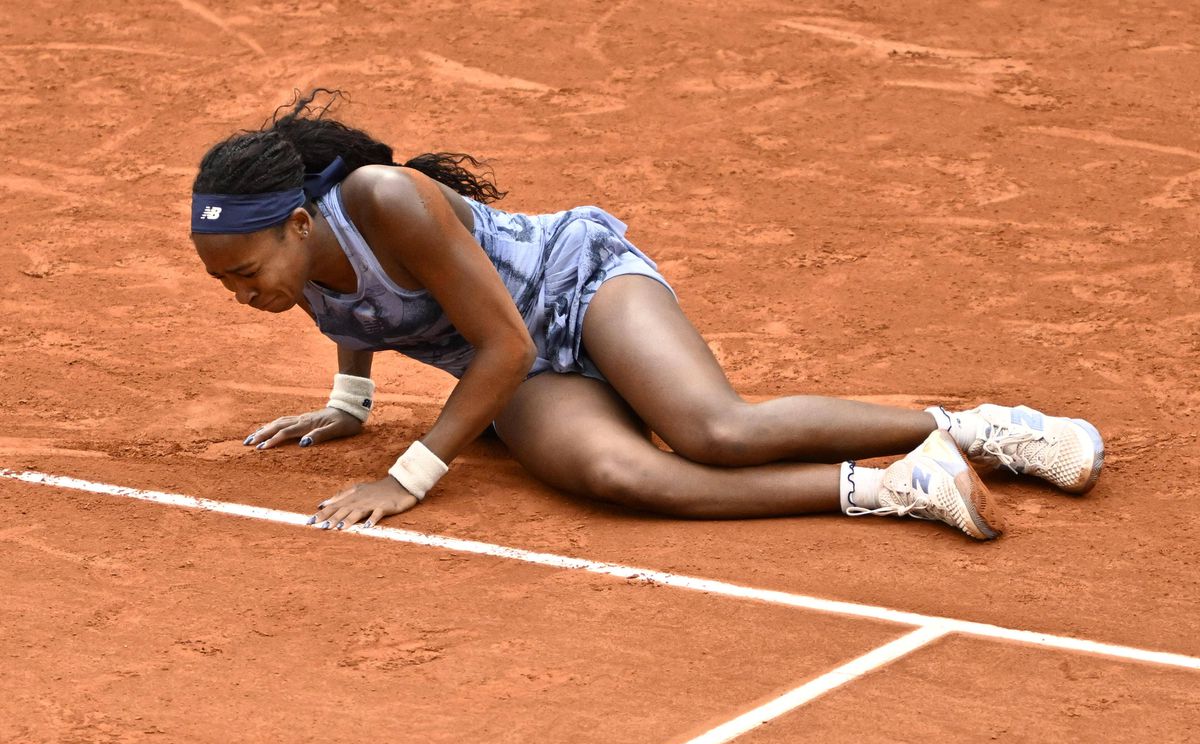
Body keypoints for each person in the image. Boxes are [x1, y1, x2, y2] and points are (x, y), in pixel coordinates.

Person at [190, 90, 1103, 539]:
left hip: (577, 287)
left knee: (714, 431)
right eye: (225, 282)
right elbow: (356, 313)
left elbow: (503, 341)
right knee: (620, 477)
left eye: (247, 272)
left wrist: (409, 475)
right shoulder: (289, 270)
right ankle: (901, 486)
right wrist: (349, 404)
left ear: (300, 223)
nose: (244, 294)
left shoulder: (384, 199)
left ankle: (981, 428)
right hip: (515, 369)